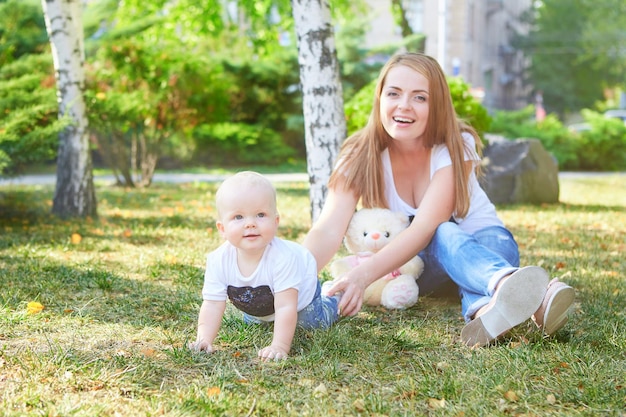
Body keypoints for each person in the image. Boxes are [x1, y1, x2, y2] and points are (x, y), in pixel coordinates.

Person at [303, 52, 575, 347]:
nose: (404, 105)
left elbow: (426, 225)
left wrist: (362, 275)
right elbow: (328, 229)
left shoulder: (456, 143)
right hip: (425, 266)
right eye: (394, 93)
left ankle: (487, 311)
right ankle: (524, 292)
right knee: (444, 233)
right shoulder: (359, 154)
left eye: (420, 97)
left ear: (437, 106)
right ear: (380, 97)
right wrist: (290, 276)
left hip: (486, 246)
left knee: (445, 230)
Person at [189, 171, 340, 360]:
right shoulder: (218, 260)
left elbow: (286, 307)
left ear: (275, 221)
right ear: (222, 229)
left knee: (308, 322)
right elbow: (212, 304)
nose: (250, 223)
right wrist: (204, 338)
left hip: (299, 296)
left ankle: (332, 298)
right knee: (255, 321)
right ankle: (263, 316)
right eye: (238, 217)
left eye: (260, 215)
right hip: (260, 305)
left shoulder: (283, 258)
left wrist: (279, 346)